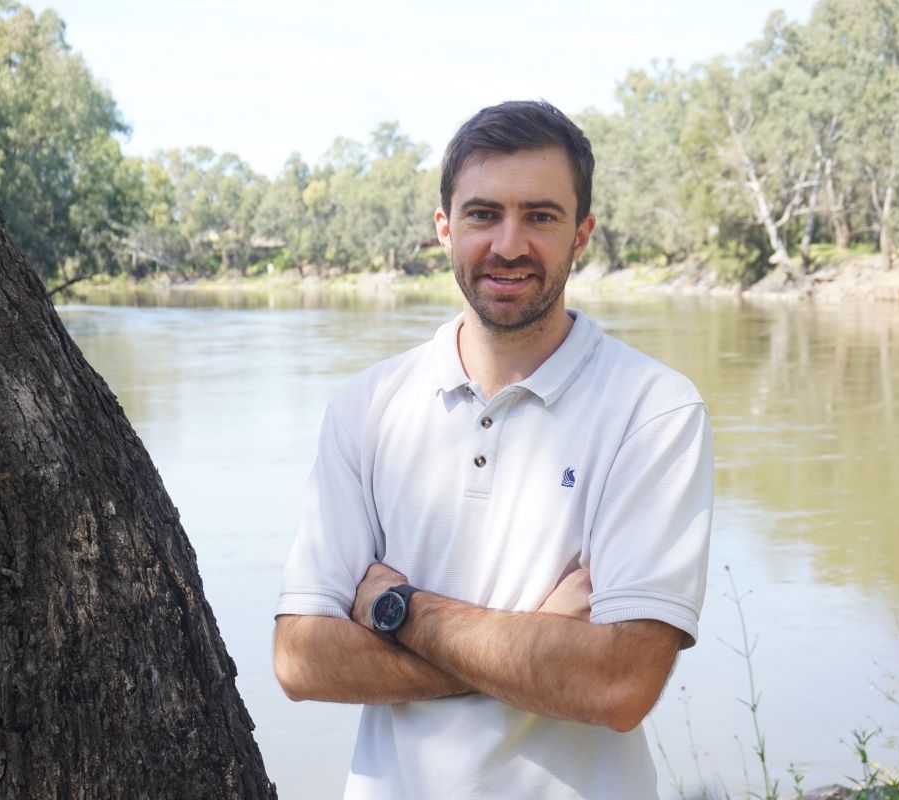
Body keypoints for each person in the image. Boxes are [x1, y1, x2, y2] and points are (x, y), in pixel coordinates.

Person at [273, 100, 713, 800]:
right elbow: (301, 661)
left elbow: (619, 684)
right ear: (445, 229)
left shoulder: (653, 410)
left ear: (582, 235)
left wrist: (399, 612)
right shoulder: (366, 407)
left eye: (540, 216)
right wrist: (541, 646)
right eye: (483, 215)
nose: (509, 244)